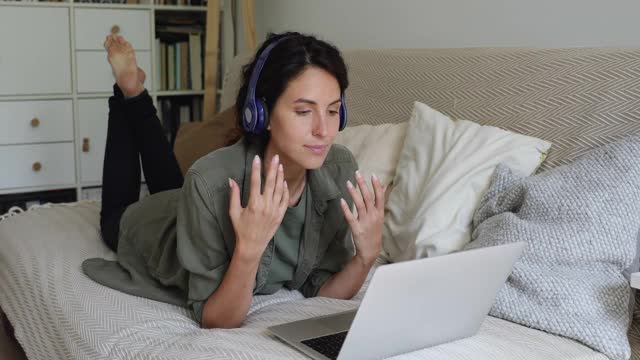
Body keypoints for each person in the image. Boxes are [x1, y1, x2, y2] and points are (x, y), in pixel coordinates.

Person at [82, 31, 386, 329]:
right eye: (304, 111)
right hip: (153, 229)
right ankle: (128, 92)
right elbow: (217, 319)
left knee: (173, 181)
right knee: (118, 214)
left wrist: (365, 257)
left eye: (333, 111)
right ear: (261, 113)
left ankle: (135, 92)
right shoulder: (208, 182)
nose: (324, 130)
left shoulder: (339, 168)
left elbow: (324, 290)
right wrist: (248, 250)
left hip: (190, 201)